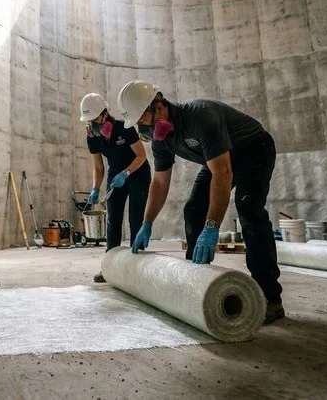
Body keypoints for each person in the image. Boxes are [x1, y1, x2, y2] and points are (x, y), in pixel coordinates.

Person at [116, 80, 284, 324]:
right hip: (217, 159)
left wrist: (212, 226)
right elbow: (160, 182)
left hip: (253, 150)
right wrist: (147, 223)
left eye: (142, 119)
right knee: (193, 209)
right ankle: (198, 284)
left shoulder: (201, 116)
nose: (142, 127)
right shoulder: (161, 139)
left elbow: (223, 173)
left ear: (159, 107)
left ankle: (270, 298)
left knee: (249, 209)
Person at [80, 93, 151, 283]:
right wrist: (95, 188)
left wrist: (126, 174)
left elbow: (141, 156)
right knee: (113, 220)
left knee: (136, 219)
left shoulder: (124, 128)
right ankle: (109, 267)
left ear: (105, 114)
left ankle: (138, 268)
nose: (92, 125)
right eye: (88, 121)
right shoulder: (92, 138)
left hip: (138, 173)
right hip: (115, 173)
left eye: (94, 119)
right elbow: (98, 167)